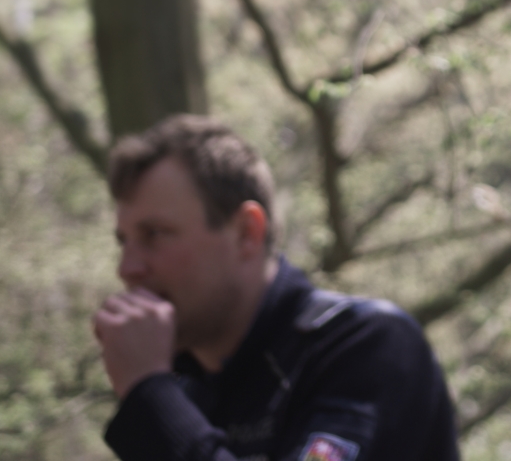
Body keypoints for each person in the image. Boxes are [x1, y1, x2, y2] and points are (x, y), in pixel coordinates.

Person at [91, 114, 460, 461]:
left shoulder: (367, 347)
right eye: (124, 242)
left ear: (246, 232)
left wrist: (150, 394)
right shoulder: (187, 393)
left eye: (155, 234)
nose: (128, 269)